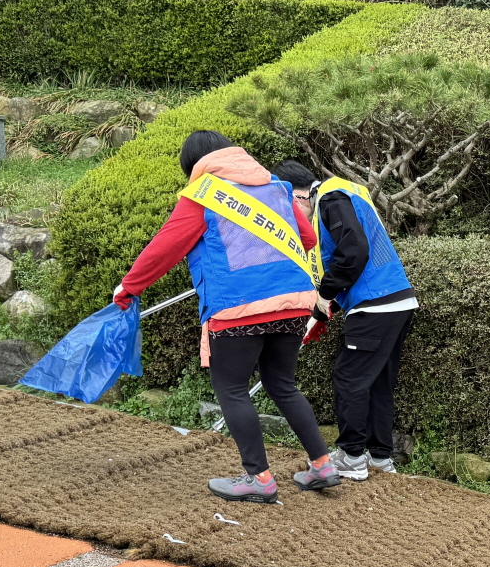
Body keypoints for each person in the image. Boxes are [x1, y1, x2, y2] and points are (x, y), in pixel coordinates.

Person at [113, 132, 340, 502]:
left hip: (238, 306)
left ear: (194, 166)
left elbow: (165, 247)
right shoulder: (277, 188)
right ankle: (322, 465)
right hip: (295, 300)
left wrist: (129, 288)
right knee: (282, 384)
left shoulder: (203, 194)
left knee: (232, 388)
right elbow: (307, 240)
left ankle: (259, 478)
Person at [277, 160, 418, 482]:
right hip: (397, 301)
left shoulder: (330, 198)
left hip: (376, 304)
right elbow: (352, 257)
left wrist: (325, 292)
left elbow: (354, 252)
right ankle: (379, 457)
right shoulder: (345, 193)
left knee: (349, 379)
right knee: (377, 383)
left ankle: (352, 458)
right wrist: (328, 305)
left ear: (298, 196)